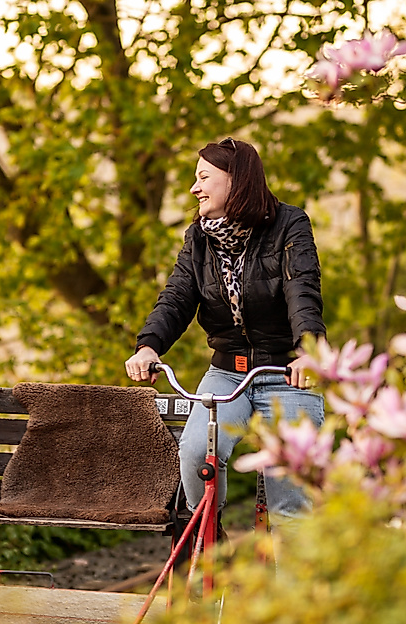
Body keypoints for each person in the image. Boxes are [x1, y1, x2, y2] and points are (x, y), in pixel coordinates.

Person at [125, 137, 325, 522]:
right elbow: (178, 295)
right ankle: (211, 540)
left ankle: (292, 581)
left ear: (236, 180)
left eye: (203, 177)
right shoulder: (199, 236)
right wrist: (149, 346)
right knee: (197, 451)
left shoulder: (289, 224)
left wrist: (309, 350)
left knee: (289, 497)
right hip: (226, 372)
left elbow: (301, 287)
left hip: (285, 374)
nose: (194, 188)